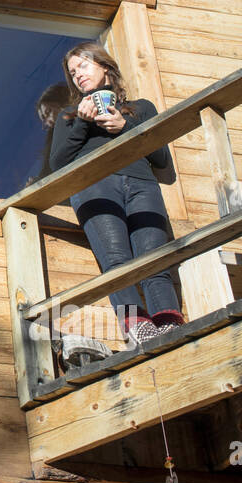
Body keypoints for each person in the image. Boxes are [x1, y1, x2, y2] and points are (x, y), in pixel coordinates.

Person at [48, 42, 184, 346]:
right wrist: (83, 124)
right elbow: (57, 165)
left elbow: (162, 159)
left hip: (142, 186)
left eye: (83, 66)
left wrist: (125, 127)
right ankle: (138, 329)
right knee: (116, 262)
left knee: (155, 261)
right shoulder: (69, 117)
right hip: (95, 189)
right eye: (72, 73)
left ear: (104, 66)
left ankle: (170, 327)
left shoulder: (141, 108)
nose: (77, 76)